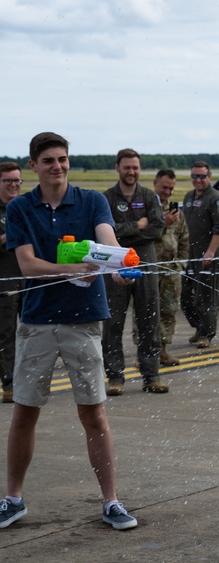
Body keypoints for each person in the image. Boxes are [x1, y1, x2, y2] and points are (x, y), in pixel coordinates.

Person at [0, 132, 138, 531]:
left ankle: (111, 501)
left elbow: (107, 240)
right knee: (25, 411)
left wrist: (120, 264)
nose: (57, 167)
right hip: (37, 322)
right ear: (34, 166)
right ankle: (13, 499)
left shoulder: (93, 201)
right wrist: (72, 270)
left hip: (83, 322)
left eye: (62, 159)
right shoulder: (21, 208)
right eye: (48, 161)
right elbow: (27, 265)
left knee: (94, 413)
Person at [103, 148, 165, 395]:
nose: (131, 172)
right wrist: (136, 225)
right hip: (116, 263)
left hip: (145, 264)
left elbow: (157, 229)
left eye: (135, 167)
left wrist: (122, 230)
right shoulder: (106, 198)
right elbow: (105, 230)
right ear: (117, 168)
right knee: (113, 321)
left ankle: (151, 376)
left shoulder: (149, 197)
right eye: (126, 167)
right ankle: (115, 377)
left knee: (150, 319)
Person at [181, 161, 219, 349]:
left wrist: (210, 252)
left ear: (209, 177)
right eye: (194, 176)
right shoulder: (189, 197)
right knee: (185, 295)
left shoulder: (215, 198)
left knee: (205, 296)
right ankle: (198, 327)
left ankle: (207, 333)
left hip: (208, 253)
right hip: (190, 253)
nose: (198, 180)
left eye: (202, 176)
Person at [151, 169, 189, 367]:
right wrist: (163, 223)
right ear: (154, 184)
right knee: (147, 311)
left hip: (170, 269)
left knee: (169, 310)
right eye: (164, 187)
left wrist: (181, 263)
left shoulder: (177, 213)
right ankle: (146, 354)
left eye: (171, 189)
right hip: (150, 268)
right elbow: (144, 234)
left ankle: (163, 351)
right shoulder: (147, 210)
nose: (167, 192)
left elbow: (184, 239)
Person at [0, 162, 22, 404]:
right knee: (6, 333)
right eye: (8, 180)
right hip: (4, 280)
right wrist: (9, 236)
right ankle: (9, 383)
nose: (14, 185)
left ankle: (27, 378)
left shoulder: (25, 207)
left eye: (17, 180)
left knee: (31, 330)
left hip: (28, 279)